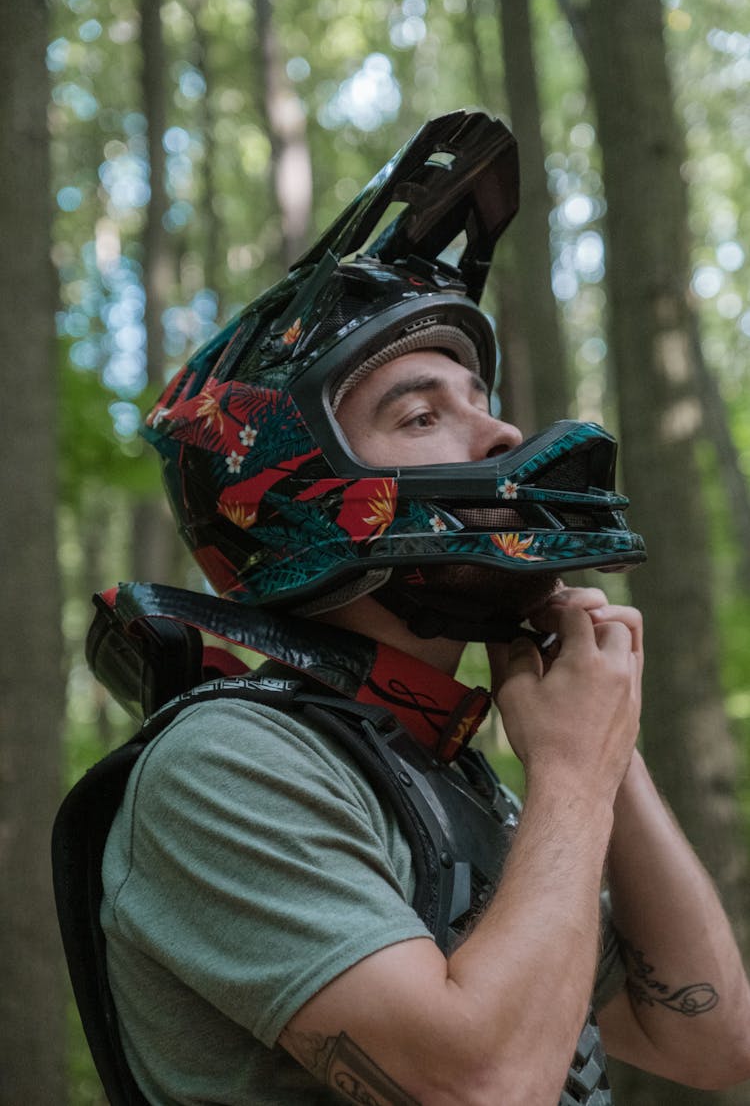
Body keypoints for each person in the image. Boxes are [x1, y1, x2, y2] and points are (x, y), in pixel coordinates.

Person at [89, 112, 750, 1105]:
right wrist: (573, 774)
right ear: (293, 489)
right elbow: (480, 1088)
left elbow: (714, 1043)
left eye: (479, 395)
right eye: (422, 412)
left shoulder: (459, 786)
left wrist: (603, 744)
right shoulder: (229, 763)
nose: (502, 432)